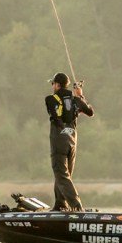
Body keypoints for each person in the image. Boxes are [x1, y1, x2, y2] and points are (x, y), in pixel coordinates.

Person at [45, 72, 94, 211]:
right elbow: (90, 112)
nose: (52, 86)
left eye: (53, 83)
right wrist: (80, 96)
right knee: (64, 175)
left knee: (61, 174)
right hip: (72, 141)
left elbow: (55, 114)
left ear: (57, 85)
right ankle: (60, 204)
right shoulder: (76, 100)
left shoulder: (50, 99)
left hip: (59, 141)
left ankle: (77, 207)